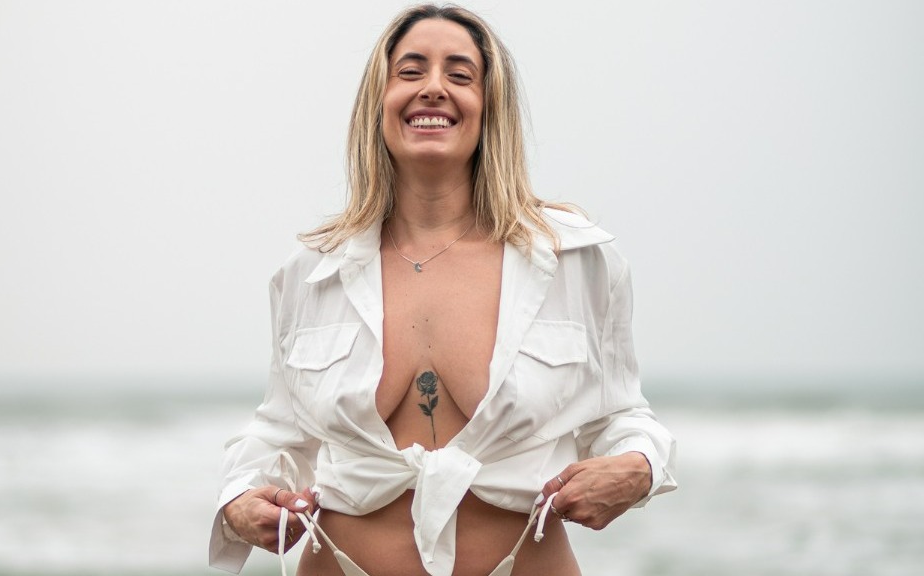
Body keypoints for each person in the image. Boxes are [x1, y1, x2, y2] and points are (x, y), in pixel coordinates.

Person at [209, 4, 676, 576]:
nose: (433, 88)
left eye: (459, 74)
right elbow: (279, 430)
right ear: (379, 102)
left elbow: (621, 414)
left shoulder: (575, 260)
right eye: (410, 71)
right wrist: (238, 499)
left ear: (489, 106)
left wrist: (639, 467)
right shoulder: (311, 271)